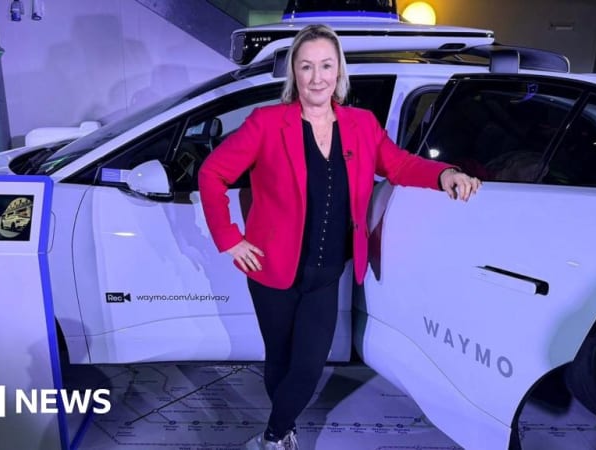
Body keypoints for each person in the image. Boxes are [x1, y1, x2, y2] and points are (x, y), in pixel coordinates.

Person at [198, 24, 480, 450]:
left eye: (326, 66)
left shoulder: (361, 125)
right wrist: (229, 238)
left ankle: (271, 437)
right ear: (294, 72)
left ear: (339, 71)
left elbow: (400, 165)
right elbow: (212, 173)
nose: (317, 77)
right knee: (280, 360)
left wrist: (444, 174)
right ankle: (286, 432)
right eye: (306, 66)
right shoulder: (266, 123)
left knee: (309, 365)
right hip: (271, 270)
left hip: (327, 272)